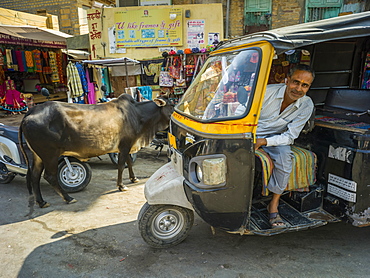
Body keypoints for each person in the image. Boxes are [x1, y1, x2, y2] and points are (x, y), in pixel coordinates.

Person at [255, 64, 315, 228]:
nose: (298, 88)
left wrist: (264, 142)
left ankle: (273, 204)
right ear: (286, 81)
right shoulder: (266, 92)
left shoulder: (306, 105)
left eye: (304, 85)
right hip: (251, 132)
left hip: (276, 138)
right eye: (296, 82)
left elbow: (290, 136)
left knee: (285, 160)